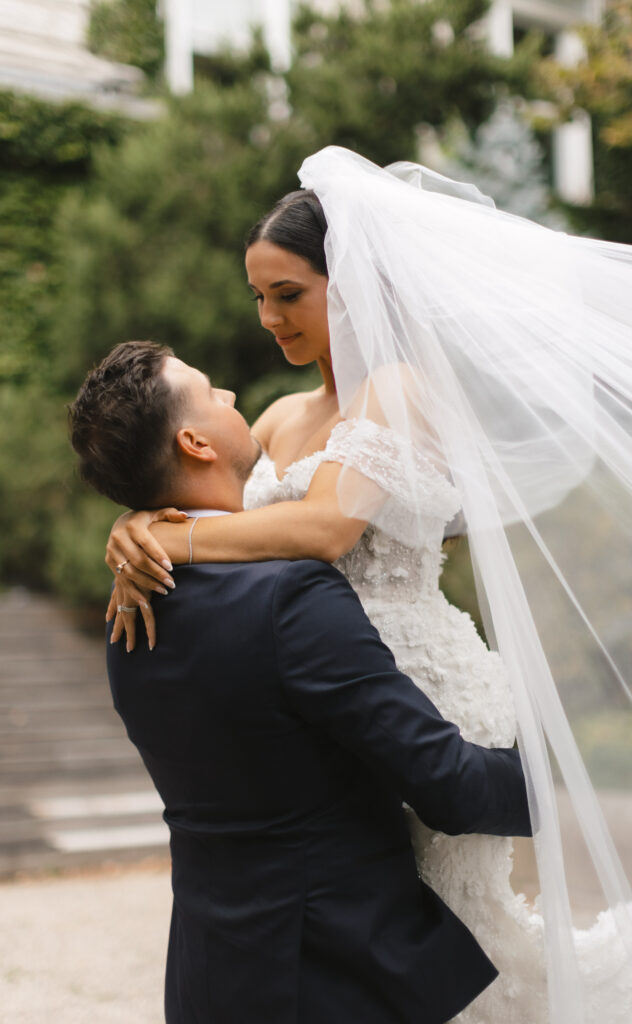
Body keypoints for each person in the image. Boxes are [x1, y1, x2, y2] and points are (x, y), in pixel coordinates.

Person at [105, 148, 632, 1022]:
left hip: (420, 686)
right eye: (257, 297)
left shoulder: (400, 392)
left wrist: (173, 533)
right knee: (371, 930)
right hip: (318, 695)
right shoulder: (276, 418)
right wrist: (134, 524)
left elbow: (326, 528)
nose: (267, 318)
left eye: (287, 294)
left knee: (456, 936)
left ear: (353, 284)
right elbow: (217, 500)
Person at [68, 339, 533, 1024]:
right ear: (195, 442)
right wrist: (566, 790)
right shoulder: (291, 597)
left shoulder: (128, 611)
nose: (233, 400)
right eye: (211, 392)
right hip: (332, 977)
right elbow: (450, 787)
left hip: (208, 977)